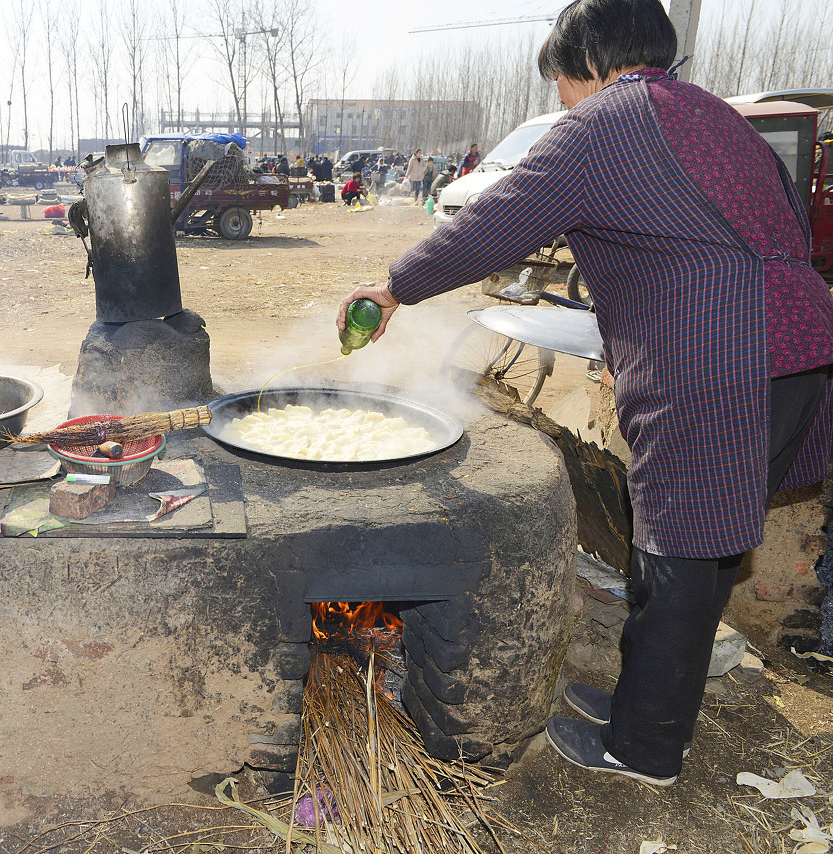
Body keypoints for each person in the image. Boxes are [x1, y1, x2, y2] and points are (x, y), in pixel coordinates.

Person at [337, 0, 833, 788]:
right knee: (706, 554)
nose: (562, 98)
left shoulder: (607, 120)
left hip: (715, 360)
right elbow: (773, 228)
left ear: (590, 62)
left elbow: (494, 220)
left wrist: (395, 286)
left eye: (561, 79)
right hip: (799, 350)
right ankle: (651, 708)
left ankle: (644, 750)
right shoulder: (714, 116)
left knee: (674, 553)